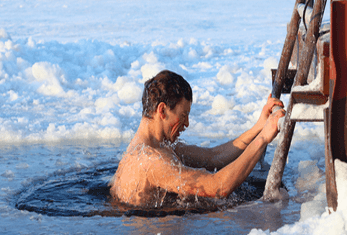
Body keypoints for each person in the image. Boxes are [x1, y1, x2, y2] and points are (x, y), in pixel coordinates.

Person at [110, 70, 285, 207]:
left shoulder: (155, 148)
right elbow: (218, 188)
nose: (187, 124)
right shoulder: (152, 161)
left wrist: (259, 126)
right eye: (183, 115)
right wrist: (263, 139)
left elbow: (213, 157)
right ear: (162, 110)